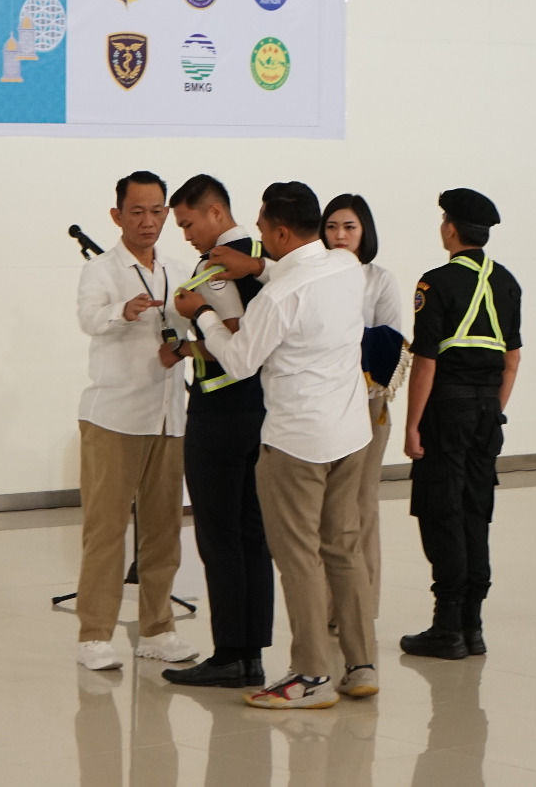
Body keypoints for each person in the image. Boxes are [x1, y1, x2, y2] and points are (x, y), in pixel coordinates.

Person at [172, 181, 378, 710]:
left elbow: (241, 360)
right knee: (343, 548)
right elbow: (296, 273)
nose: (258, 235)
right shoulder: (346, 266)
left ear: (282, 232)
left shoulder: (281, 297)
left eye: (263, 228)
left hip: (297, 444)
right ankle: (360, 664)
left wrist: (201, 314)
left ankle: (310, 676)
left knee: (299, 557)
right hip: (351, 433)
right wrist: (258, 267)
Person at [72, 170, 199, 671]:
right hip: (115, 417)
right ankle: (93, 635)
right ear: (117, 215)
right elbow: (88, 318)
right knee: (105, 529)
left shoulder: (178, 268)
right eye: (137, 211)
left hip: (168, 417)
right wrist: (123, 312)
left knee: (164, 530)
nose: (148, 221)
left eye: (156, 211)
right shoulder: (101, 270)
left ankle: (157, 629)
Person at [160, 174, 275, 689]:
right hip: (263, 412)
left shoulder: (217, 266)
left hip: (222, 412)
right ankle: (252, 654)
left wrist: (187, 335)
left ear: (215, 212)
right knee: (252, 535)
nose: (185, 235)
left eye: (188, 223)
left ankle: (230, 654)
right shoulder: (264, 259)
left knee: (220, 536)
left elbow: (234, 342)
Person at [400, 188, 522, 660]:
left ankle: (447, 627)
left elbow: (426, 361)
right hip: (487, 412)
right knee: (475, 509)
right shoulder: (507, 282)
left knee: (442, 510)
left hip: (446, 412)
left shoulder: (435, 283)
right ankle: (472, 626)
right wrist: (494, 408)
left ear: (450, 229)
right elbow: (512, 359)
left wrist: (413, 425)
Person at [321, 193, 406, 625]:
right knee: (324, 510)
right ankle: (326, 608)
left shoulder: (379, 279)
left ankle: (361, 607)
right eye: (332, 226)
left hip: (368, 404)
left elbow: (390, 341)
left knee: (362, 505)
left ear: (364, 231)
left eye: (349, 227)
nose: (340, 235)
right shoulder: (313, 276)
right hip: (321, 405)